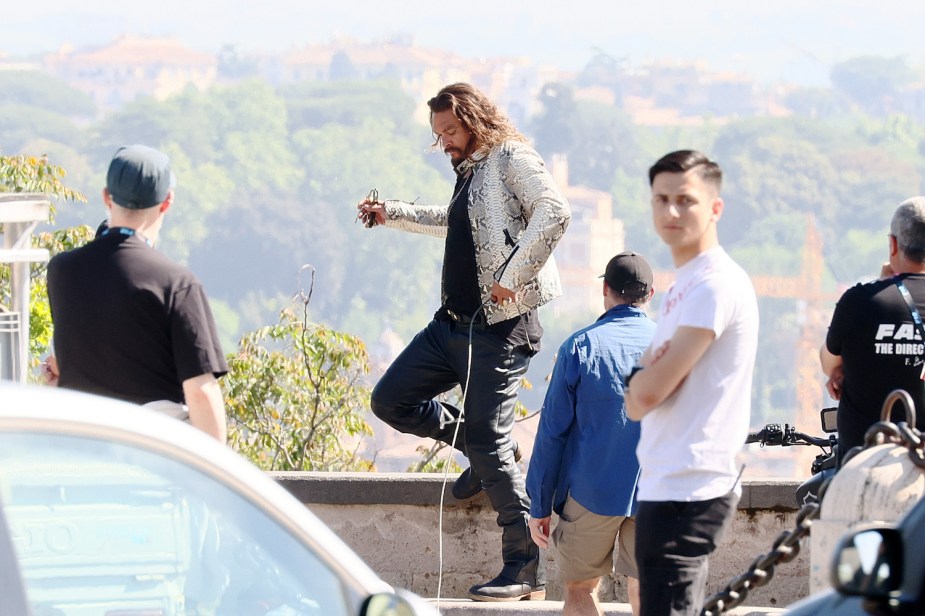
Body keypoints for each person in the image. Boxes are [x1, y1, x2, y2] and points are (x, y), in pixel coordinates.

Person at [357, 82, 571, 601]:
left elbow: (555, 212)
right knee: (390, 400)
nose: (445, 142)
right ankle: (478, 447)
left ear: (475, 120)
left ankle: (524, 569)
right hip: (452, 325)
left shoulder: (511, 157)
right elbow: (454, 225)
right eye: (439, 134)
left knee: (492, 447)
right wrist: (394, 213)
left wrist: (514, 274)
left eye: (451, 130)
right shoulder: (470, 171)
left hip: (501, 329)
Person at [624, 150, 759, 616]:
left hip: (689, 488)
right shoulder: (686, 283)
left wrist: (646, 378)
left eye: (686, 200)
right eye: (661, 200)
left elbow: (642, 394)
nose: (671, 212)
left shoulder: (713, 285)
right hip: (669, 483)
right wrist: (648, 377)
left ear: (715, 208)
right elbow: (644, 390)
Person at [47, 144, 228, 443]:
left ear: (107, 197)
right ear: (167, 201)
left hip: (81, 451)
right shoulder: (176, 283)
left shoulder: (62, 271)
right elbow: (201, 391)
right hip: (155, 457)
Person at [526, 251, 656, 616]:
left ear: (605, 289)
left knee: (580, 588)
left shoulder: (580, 347)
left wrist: (539, 504)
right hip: (657, 489)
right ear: (651, 293)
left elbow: (552, 433)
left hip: (590, 491)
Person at [821, 197, 925, 465]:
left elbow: (829, 362)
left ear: (892, 244)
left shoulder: (858, 301)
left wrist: (882, 284)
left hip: (863, 463)